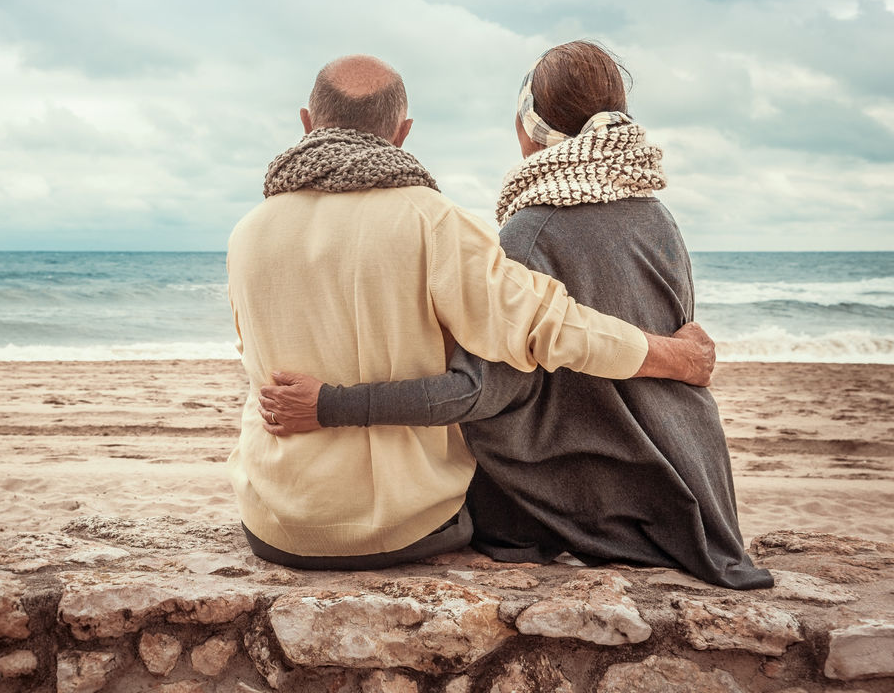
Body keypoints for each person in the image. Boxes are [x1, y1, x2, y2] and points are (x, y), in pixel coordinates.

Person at [259, 44, 772, 588]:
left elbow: (477, 393)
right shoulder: (656, 214)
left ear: (529, 124)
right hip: (690, 478)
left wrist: (331, 405)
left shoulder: (532, 230)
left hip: (608, 489)